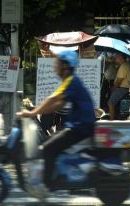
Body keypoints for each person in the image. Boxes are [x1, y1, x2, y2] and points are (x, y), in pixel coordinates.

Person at [17, 49, 95, 190]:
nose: (55, 66)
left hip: (81, 127)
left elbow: (53, 98)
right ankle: (61, 177)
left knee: (48, 148)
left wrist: (32, 113)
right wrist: (36, 112)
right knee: (52, 141)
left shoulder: (71, 81)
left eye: (57, 63)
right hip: (79, 125)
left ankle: (47, 185)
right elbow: (58, 104)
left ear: (65, 66)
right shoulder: (70, 81)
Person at [108, 53, 130, 120]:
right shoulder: (126, 65)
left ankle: (111, 120)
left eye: (117, 57)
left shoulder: (123, 66)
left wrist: (113, 88)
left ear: (121, 57)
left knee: (110, 102)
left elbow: (119, 80)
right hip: (127, 88)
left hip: (122, 88)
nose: (116, 59)